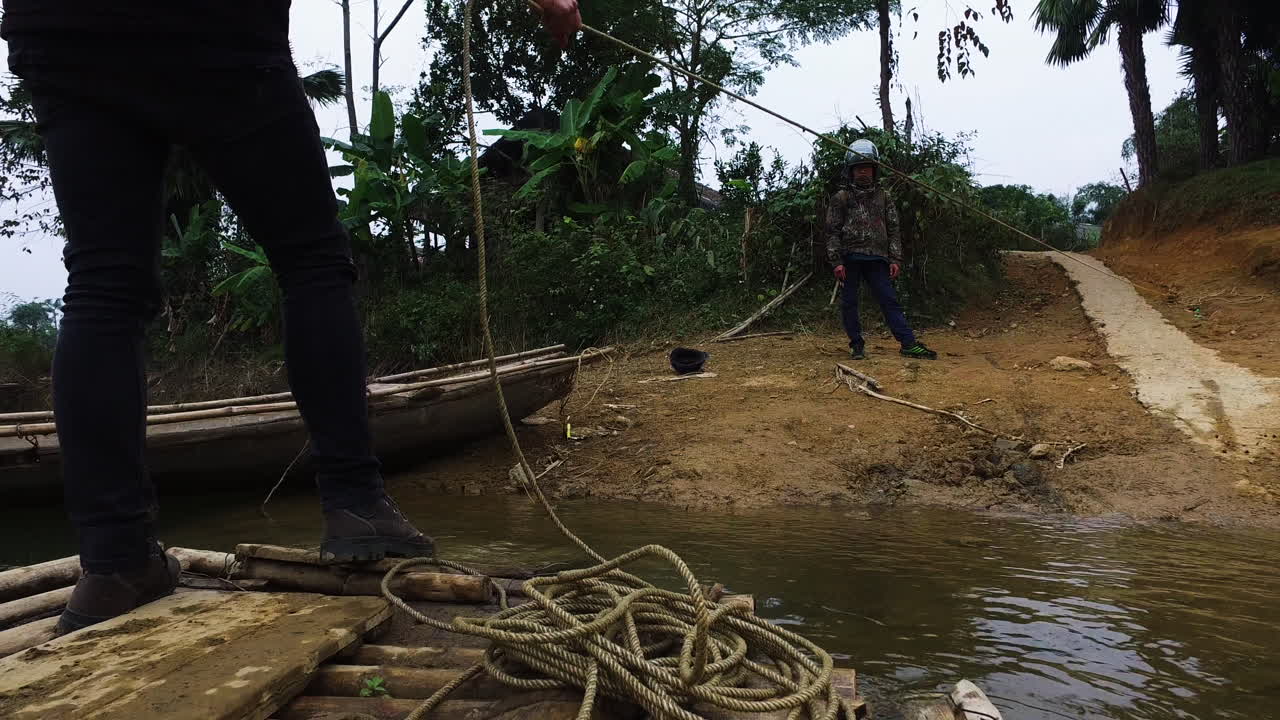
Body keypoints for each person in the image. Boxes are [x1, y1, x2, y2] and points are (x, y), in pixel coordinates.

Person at [1, 0, 583, 634]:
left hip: (62, 32)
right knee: (310, 260)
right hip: (212, 31)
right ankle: (356, 504)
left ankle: (114, 560)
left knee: (102, 285)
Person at [825, 139, 937, 361]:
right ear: (851, 172)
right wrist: (836, 261)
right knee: (849, 303)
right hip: (849, 259)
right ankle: (856, 345)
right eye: (858, 168)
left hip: (878, 259)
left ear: (874, 170)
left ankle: (908, 344)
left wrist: (895, 258)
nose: (863, 172)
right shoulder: (841, 198)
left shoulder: (884, 196)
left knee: (888, 300)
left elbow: (894, 228)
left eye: (867, 167)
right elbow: (832, 231)